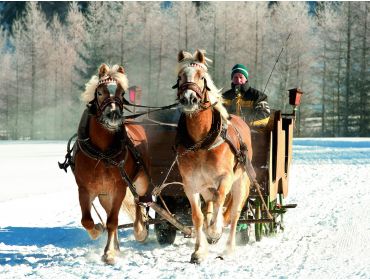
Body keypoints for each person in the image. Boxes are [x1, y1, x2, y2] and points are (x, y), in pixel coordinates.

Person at [223, 64, 270, 129]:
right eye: (235, 77)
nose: (238, 80)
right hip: (228, 131)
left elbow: (264, 117)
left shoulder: (258, 96)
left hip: (253, 133)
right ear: (232, 79)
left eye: (241, 77)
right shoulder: (224, 97)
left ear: (246, 78)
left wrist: (242, 121)